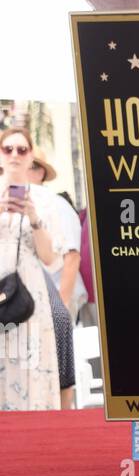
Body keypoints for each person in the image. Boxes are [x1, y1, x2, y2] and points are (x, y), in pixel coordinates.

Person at [0, 126, 66, 410]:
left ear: (31, 157)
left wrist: (34, 218)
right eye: (8, 149)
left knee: (32, 363)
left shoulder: (45, 200)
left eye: (22, 149)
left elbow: (51, 258)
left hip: (30, 292)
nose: (15, 154)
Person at [29, 148, 88, 324]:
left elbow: (72, 257)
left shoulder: (58, 206)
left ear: (40, 172)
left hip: (54, 300)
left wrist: (60, 307)